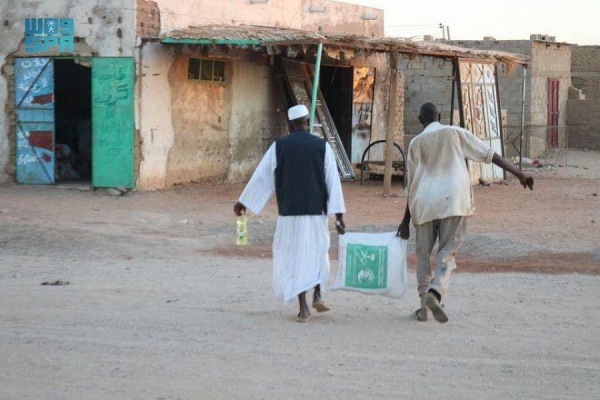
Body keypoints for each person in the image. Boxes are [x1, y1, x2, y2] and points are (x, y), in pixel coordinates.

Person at [397, 102, 534, 323]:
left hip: (423, 202)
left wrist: (404, 222)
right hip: (454, 199)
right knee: (447, 252)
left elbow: (411, 185)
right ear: (439, 116)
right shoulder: (455, 133)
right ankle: (436, 292)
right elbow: (490, 155)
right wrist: (519, 173)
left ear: (420, 120)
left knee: (423, 255)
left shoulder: (415, 143)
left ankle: (423, 306)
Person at [233, 104, 346, 322]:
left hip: (289, 212)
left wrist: (243, 202)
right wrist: (339, 216)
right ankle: (318, 293)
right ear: (308, 122)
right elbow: (333, 183)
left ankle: (304, 307)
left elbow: (262, 177)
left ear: (289, 124)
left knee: (294, 256)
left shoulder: (279, 146)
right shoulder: (322, 146)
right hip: (316, 212)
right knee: (317, 251)